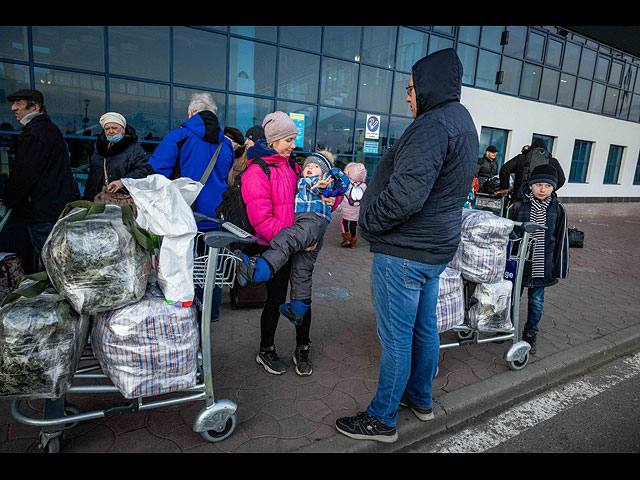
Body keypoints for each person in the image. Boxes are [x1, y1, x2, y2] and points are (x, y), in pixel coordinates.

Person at [335, 48, 478, 443]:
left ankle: (382, 419)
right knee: (423, 330)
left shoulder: (433, 125)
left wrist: (369, 221)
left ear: (429, 86)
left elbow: (405, 196)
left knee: (397, 337)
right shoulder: (462, 121)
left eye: (412, 88)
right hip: (432, 250)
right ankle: (420, 398)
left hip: (405, 252)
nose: (408, 96)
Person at [240, 111, 338, 377]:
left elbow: (315, 195)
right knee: (275, 299)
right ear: (273, 140)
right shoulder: (257, 170)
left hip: (298, 243)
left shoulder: (293, 166)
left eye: (294, 139)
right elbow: (261, 218)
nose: (293, 145)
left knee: (302, 297)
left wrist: (330, 200)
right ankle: (266, 349)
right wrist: (293, 243)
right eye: (288, 140)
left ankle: (302, 347)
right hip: (277, 246)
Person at [235, 151, 349, 326]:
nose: (310, 168)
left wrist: (331, 189)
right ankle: (298, 308)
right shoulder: (279, 170)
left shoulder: (318, 181)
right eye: (308, 166)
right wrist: (332, 195)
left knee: (287, 241)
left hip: (309, 223)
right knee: (302, 270)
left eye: (315, 166)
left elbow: (326, 186)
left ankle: (259, 270)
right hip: (314, 226)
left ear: (325, 172)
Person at [147, 92, 234, 321]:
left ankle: (185, 317)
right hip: (215, 217)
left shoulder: (179, 136)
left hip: (183, 216)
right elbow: (225, 177)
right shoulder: (226, 145)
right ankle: (211, 314)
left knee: (181, 267)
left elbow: (156, 175)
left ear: (190, 113)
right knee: (211, 268)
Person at [3, 89, 77, 264]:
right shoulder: (44, 130)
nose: (13, 108)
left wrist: (9, 200)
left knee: (52, 262)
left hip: (43, 209)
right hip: (49, 207)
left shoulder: (37, 132)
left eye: (19, 104)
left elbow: (25, 172)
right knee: (55, 259)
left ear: (35, 107)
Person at [506, 163, 569, 355]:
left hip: (543, 265)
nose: (543, 190)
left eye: (548, 186)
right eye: (539, 185)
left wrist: (559, 269)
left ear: (553, 188)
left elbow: (561, 241)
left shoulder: (557, 209)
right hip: (518, 263)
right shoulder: (517, 205)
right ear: (530, 185)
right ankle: (507, 327)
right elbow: (505, 235)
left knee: (536, 300)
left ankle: (530, 332)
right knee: (512, 298)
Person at [83, 112, 150, 201]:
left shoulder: (134, 148)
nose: (111, 131)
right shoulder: (99, 147)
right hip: (97, 197)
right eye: (107, 129)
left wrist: (123, 182)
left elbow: (143, 170)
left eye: (114, 128)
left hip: (121, 198)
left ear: (123, 129)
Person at [496, 138, 566, 204]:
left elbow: (505, 169)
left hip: (520, 196)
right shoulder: (552, 161)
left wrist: (505, 187)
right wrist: (549, 189)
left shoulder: (521, 158)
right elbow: (561, 179)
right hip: (543, 199)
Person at [340, 162, 367, 248]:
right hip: (357, 209)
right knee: (354, 224)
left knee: (344, 222)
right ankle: (353, 242)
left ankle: (346, 239)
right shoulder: (363, 185)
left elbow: (342, 193)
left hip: (346, 208)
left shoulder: (347, 184)